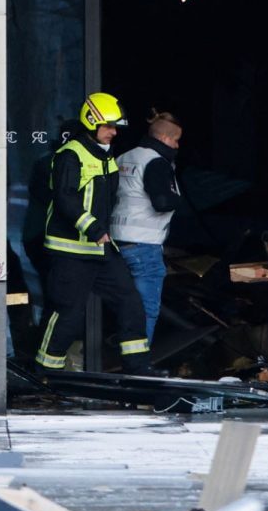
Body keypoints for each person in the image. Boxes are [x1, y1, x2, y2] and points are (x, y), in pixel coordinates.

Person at [34, 92, 155, 376]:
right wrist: (95, 229)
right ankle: (45, 373)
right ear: (92, 123)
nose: (114, 132)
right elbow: (66, 200)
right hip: (71, 252)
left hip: (100, 250)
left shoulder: (104, 155)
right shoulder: (70, 155)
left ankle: (137, 368)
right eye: (109, 126)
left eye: (115, 127)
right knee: (69, 314)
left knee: (130, 301)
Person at [109, 110, 183, 343]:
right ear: (164, 139)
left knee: (127, 308)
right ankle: (138, 367)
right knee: (146, 310)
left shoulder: (123, 158)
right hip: (144, 246)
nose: (177, 145)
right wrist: (178, 200)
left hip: (116, 242)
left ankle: (127, 361)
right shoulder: (156, 162)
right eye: (175, 140)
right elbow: (162, 202)